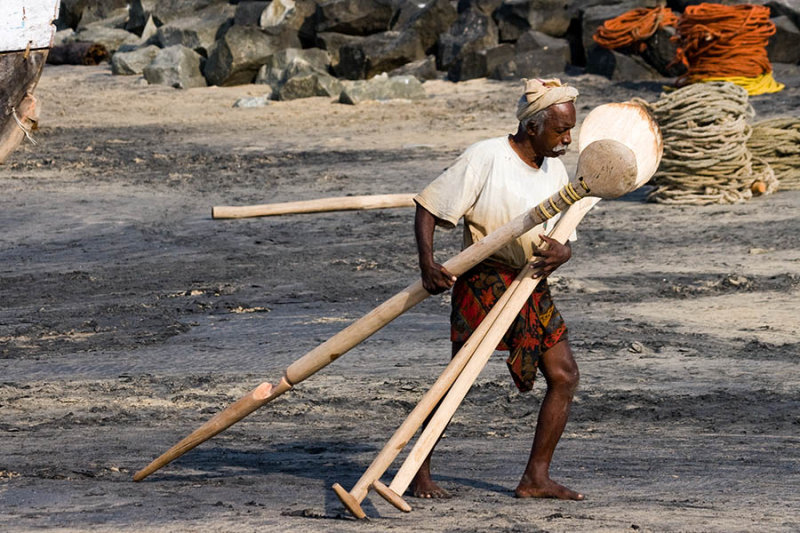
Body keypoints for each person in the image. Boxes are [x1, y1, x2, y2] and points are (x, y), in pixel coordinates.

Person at [411, 78, 584, 501]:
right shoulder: (486, 156)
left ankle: (535, 478)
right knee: (457, 380)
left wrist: (563, 254)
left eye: (571, 130)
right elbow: (429, 206)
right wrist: (428, 264)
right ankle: (418, 473)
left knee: (564, 375)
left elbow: (564, 235)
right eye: (560, 130)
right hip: (484, 279)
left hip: (530, 281)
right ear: (532, 128)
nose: (567, 139)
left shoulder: (556, 169)